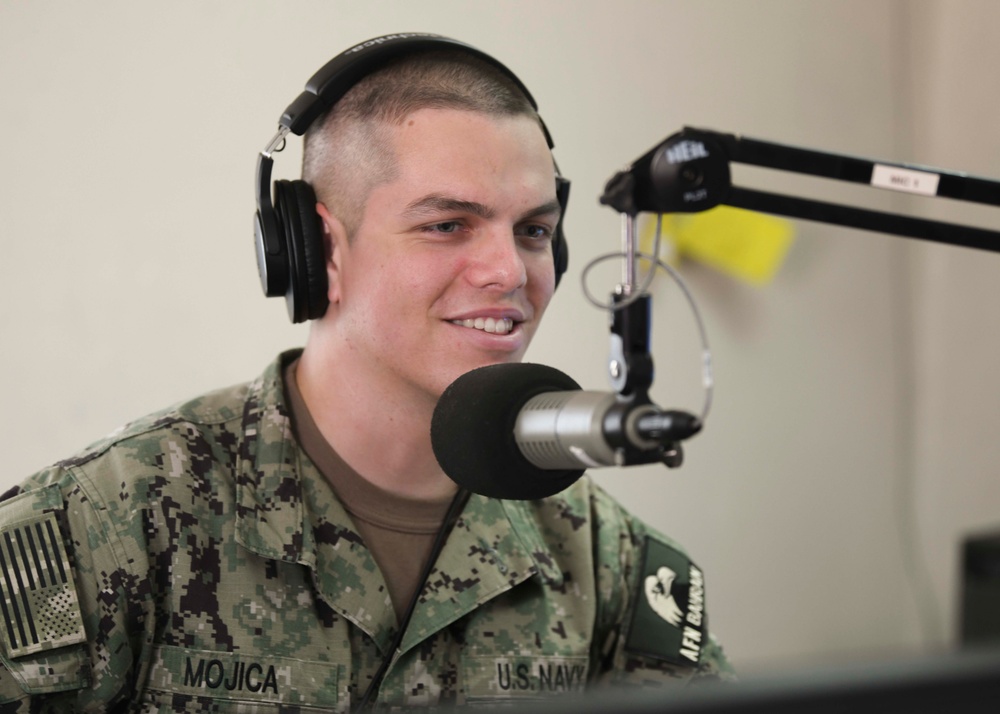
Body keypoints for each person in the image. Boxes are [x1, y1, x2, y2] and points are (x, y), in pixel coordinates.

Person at [0, 33, 733, 712]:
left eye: (534, 231)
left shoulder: (609, 564)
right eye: (447, 225)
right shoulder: (110, 526)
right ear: (319, 252)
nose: (511, 271)